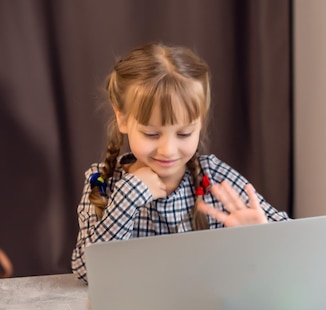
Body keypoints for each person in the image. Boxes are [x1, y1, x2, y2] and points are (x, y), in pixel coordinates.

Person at [71, 43, 289, 283]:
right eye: (151, 134)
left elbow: (299, 246)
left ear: (200, 122)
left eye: (184, 134)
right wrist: (128, 196)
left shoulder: (215, 178)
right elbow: (84, 271)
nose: (168, 150)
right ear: (122, 118)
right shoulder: (102, 181)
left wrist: (262, 238)